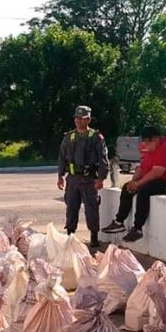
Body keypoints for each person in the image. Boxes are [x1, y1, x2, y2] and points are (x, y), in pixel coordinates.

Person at [101, 125, 166, 242]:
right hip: (157, 180)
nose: (145, 146)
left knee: (144, 190)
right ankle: (119, 222)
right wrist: (133, 182)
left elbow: (157, 172)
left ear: (155, 139)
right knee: (127, 187)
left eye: (147, 143)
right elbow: (141, 168)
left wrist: (138, 184)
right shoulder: (152, 149)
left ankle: (137, 228)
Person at [56, 105, 109, 248]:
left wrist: (101, 179)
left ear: (88, 120)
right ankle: (70, 235)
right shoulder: (69, 137)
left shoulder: (96, 138)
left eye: (82, 118)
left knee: (92, 208)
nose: (78, 121)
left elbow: (103, 159)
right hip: (73, 179)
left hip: (89, 179)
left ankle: (93, 237)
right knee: (71, 207)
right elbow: (62, 157)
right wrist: (60, 175)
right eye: (77, 118)